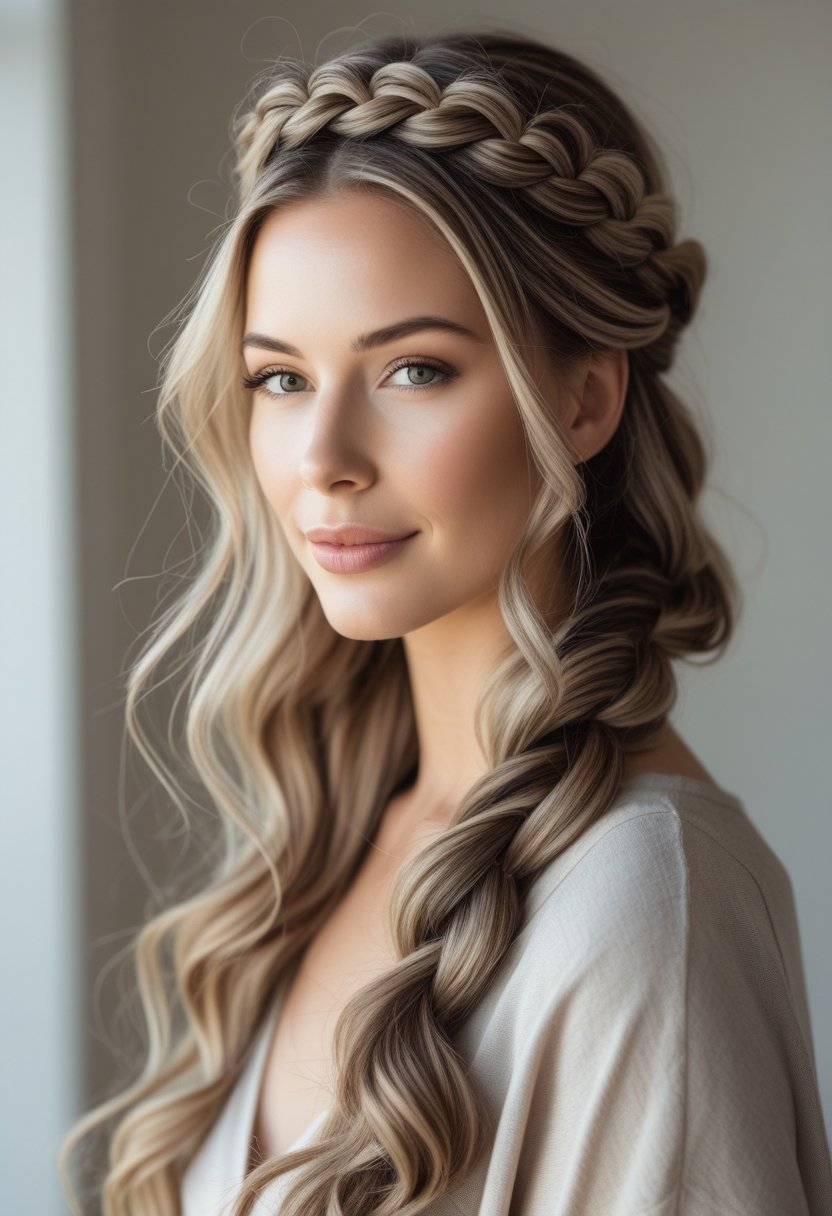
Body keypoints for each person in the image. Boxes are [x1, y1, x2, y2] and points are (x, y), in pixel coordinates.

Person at [59, 26, 832, 1216]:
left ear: (582, 399)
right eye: (279, 378)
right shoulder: (337, 837)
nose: (323, 458)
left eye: (412, 369)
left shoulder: (646, 904)